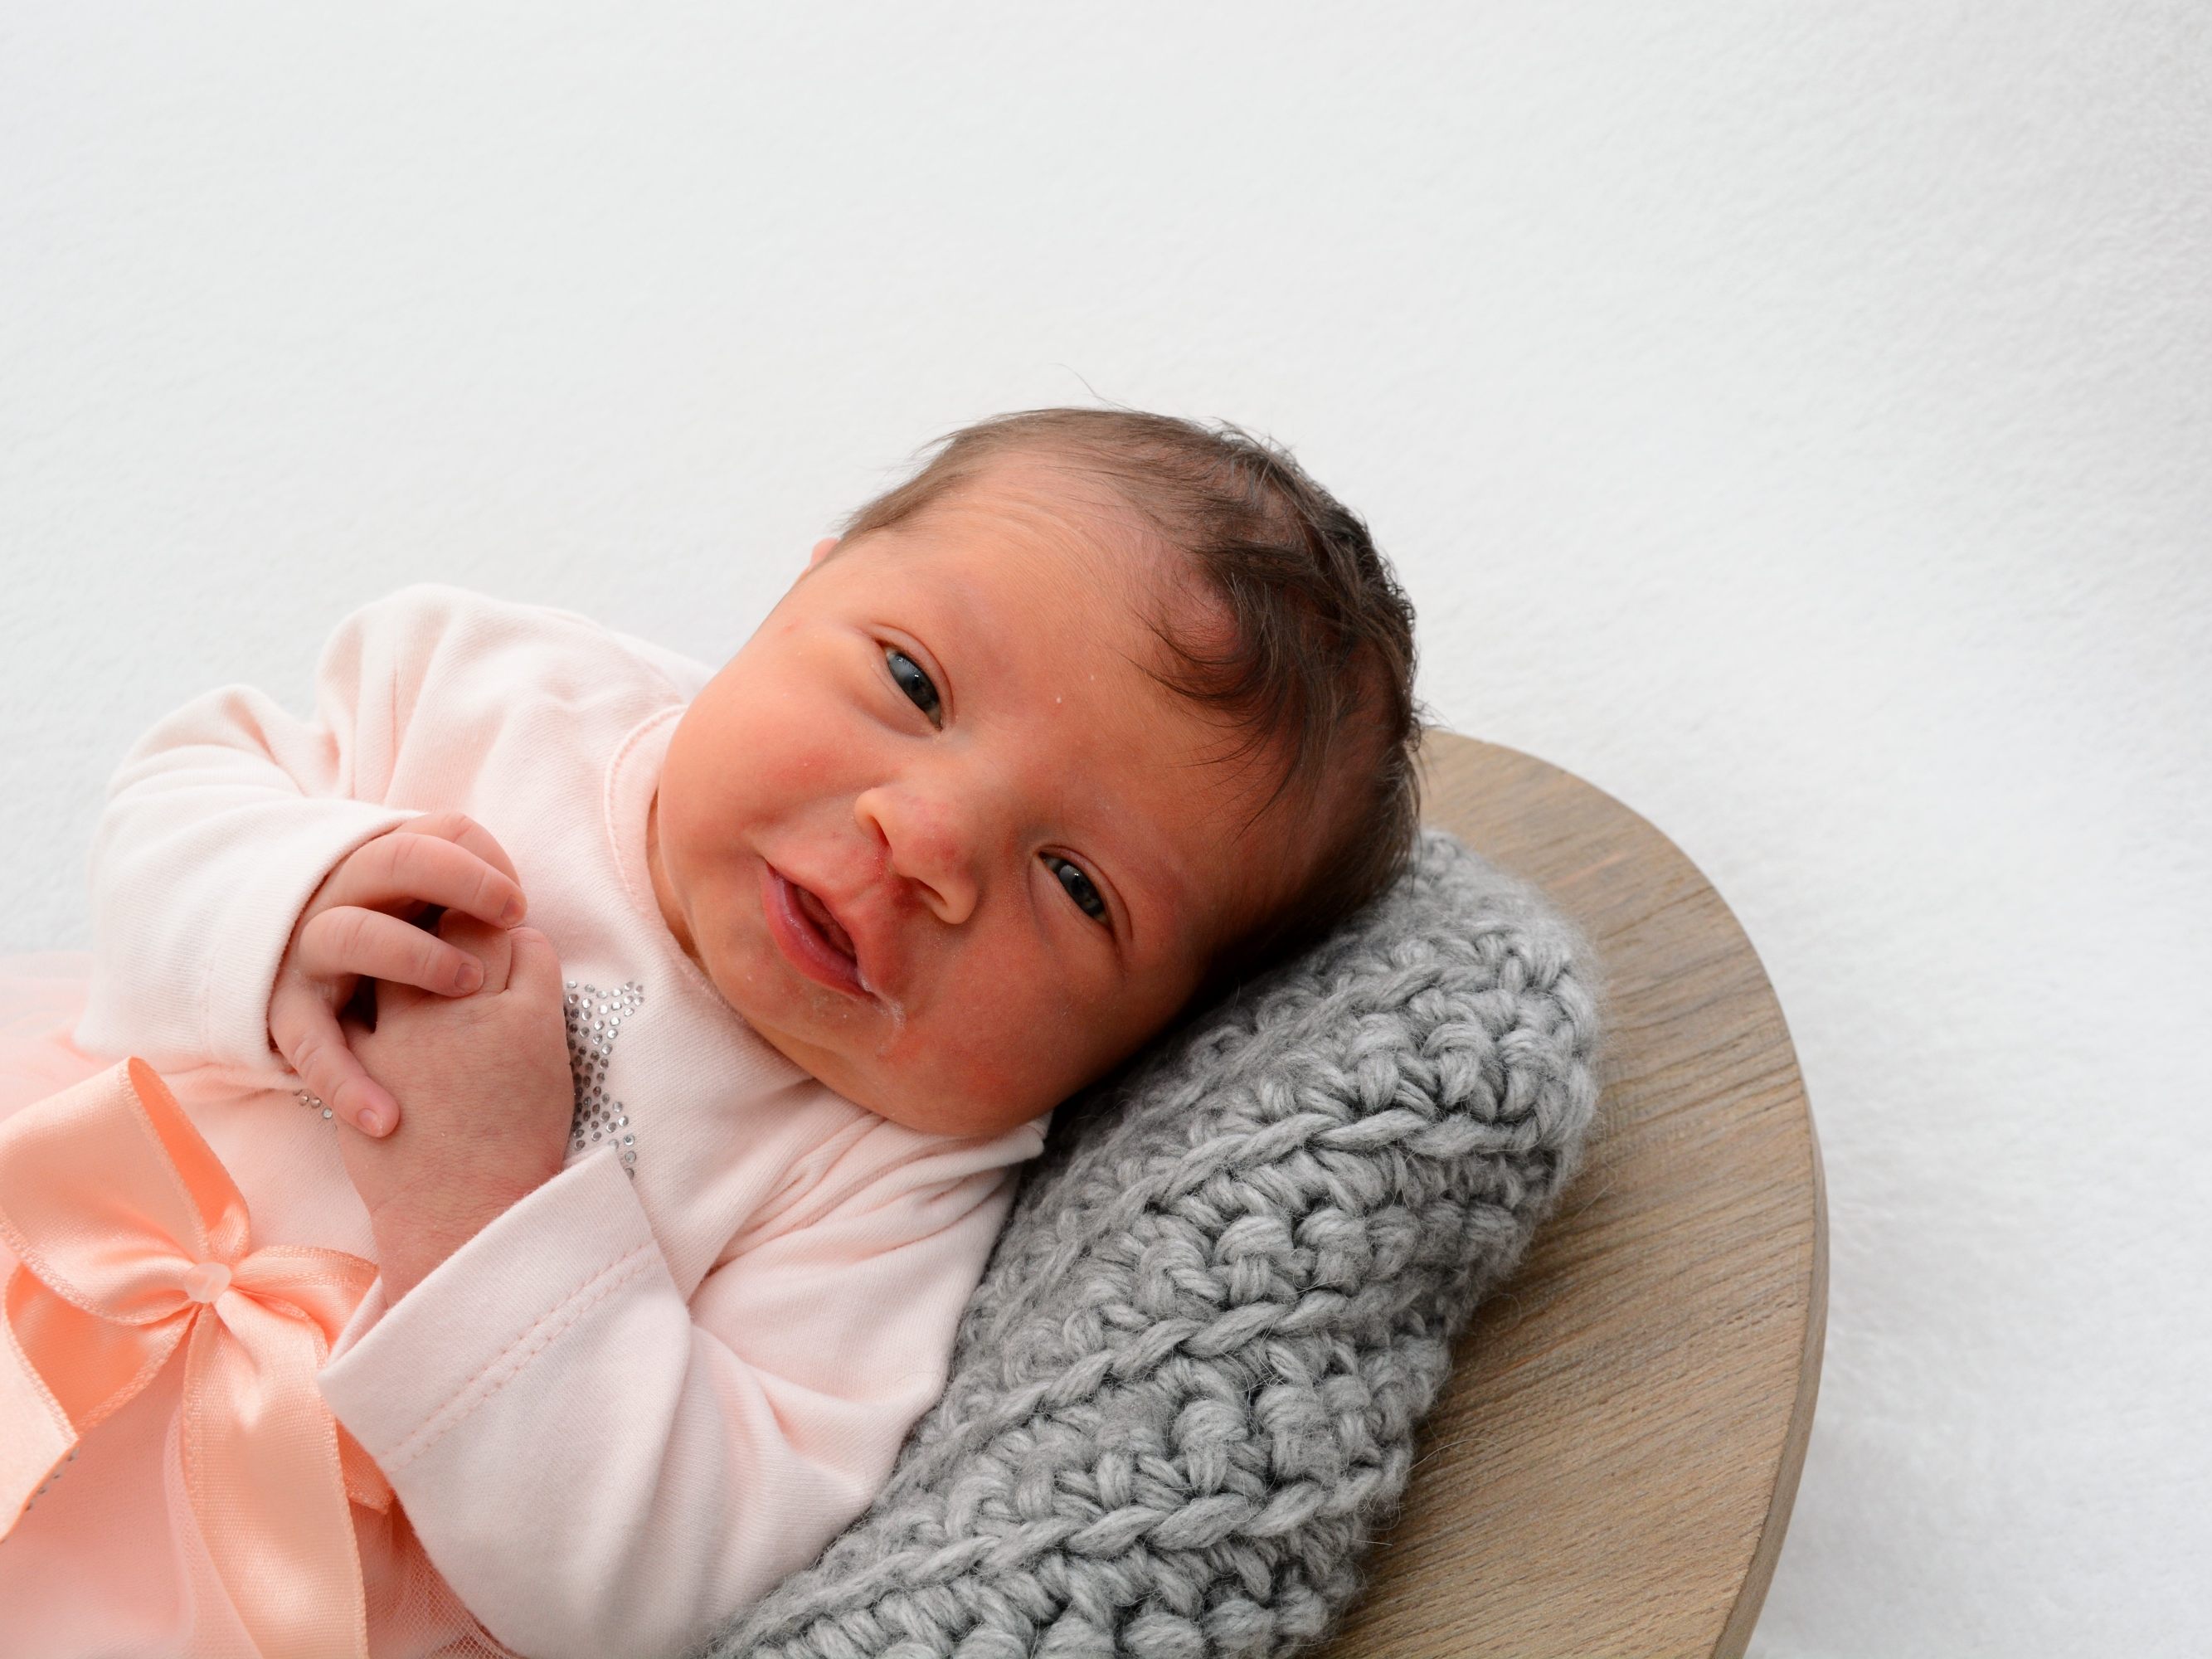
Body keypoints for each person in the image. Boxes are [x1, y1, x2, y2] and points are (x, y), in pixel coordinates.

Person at [0, 407, 1421, 1658]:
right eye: (916, 684)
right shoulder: (499, 694)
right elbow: (178, 800)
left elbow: (657, 1582)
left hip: (263, 1587)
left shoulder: (895, 1190)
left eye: (1076, 885)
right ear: (801, 584)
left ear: (1144, 1044)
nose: (925, 839)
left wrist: (486, 1202)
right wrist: (286, 903)